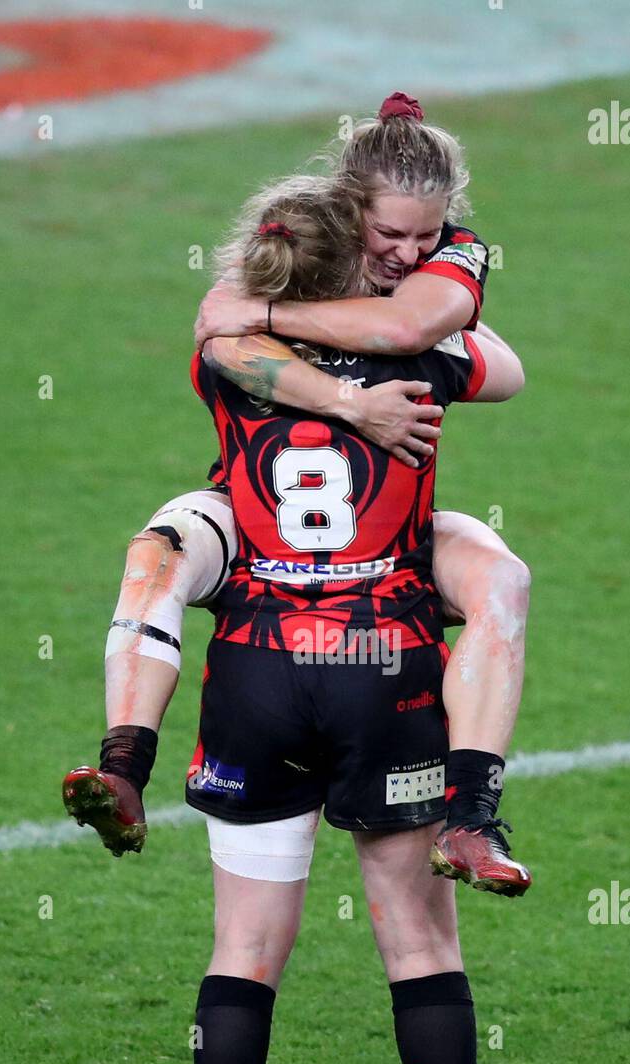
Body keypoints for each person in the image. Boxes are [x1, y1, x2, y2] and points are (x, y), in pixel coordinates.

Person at [161, 174, 538, 1064]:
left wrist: (260, 304)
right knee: (418, 940)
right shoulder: (425, 355)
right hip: (384, 662)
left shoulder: (227, 354)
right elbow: (502, 369)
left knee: (244, 945)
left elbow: (225, 331)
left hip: (258, 662)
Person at [63, 94, 533, 896]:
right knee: (160, 550)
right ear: (351, 212)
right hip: (259, 527)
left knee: (501, 576)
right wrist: (352, 396)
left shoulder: (441, 267)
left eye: (429, 234)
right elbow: (453, 353)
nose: (413, 252)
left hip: (370, 538)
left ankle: (473, 814)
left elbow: (408, 333)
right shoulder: (295, 275)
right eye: (391, 235)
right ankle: (123, 767)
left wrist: (276, 320)